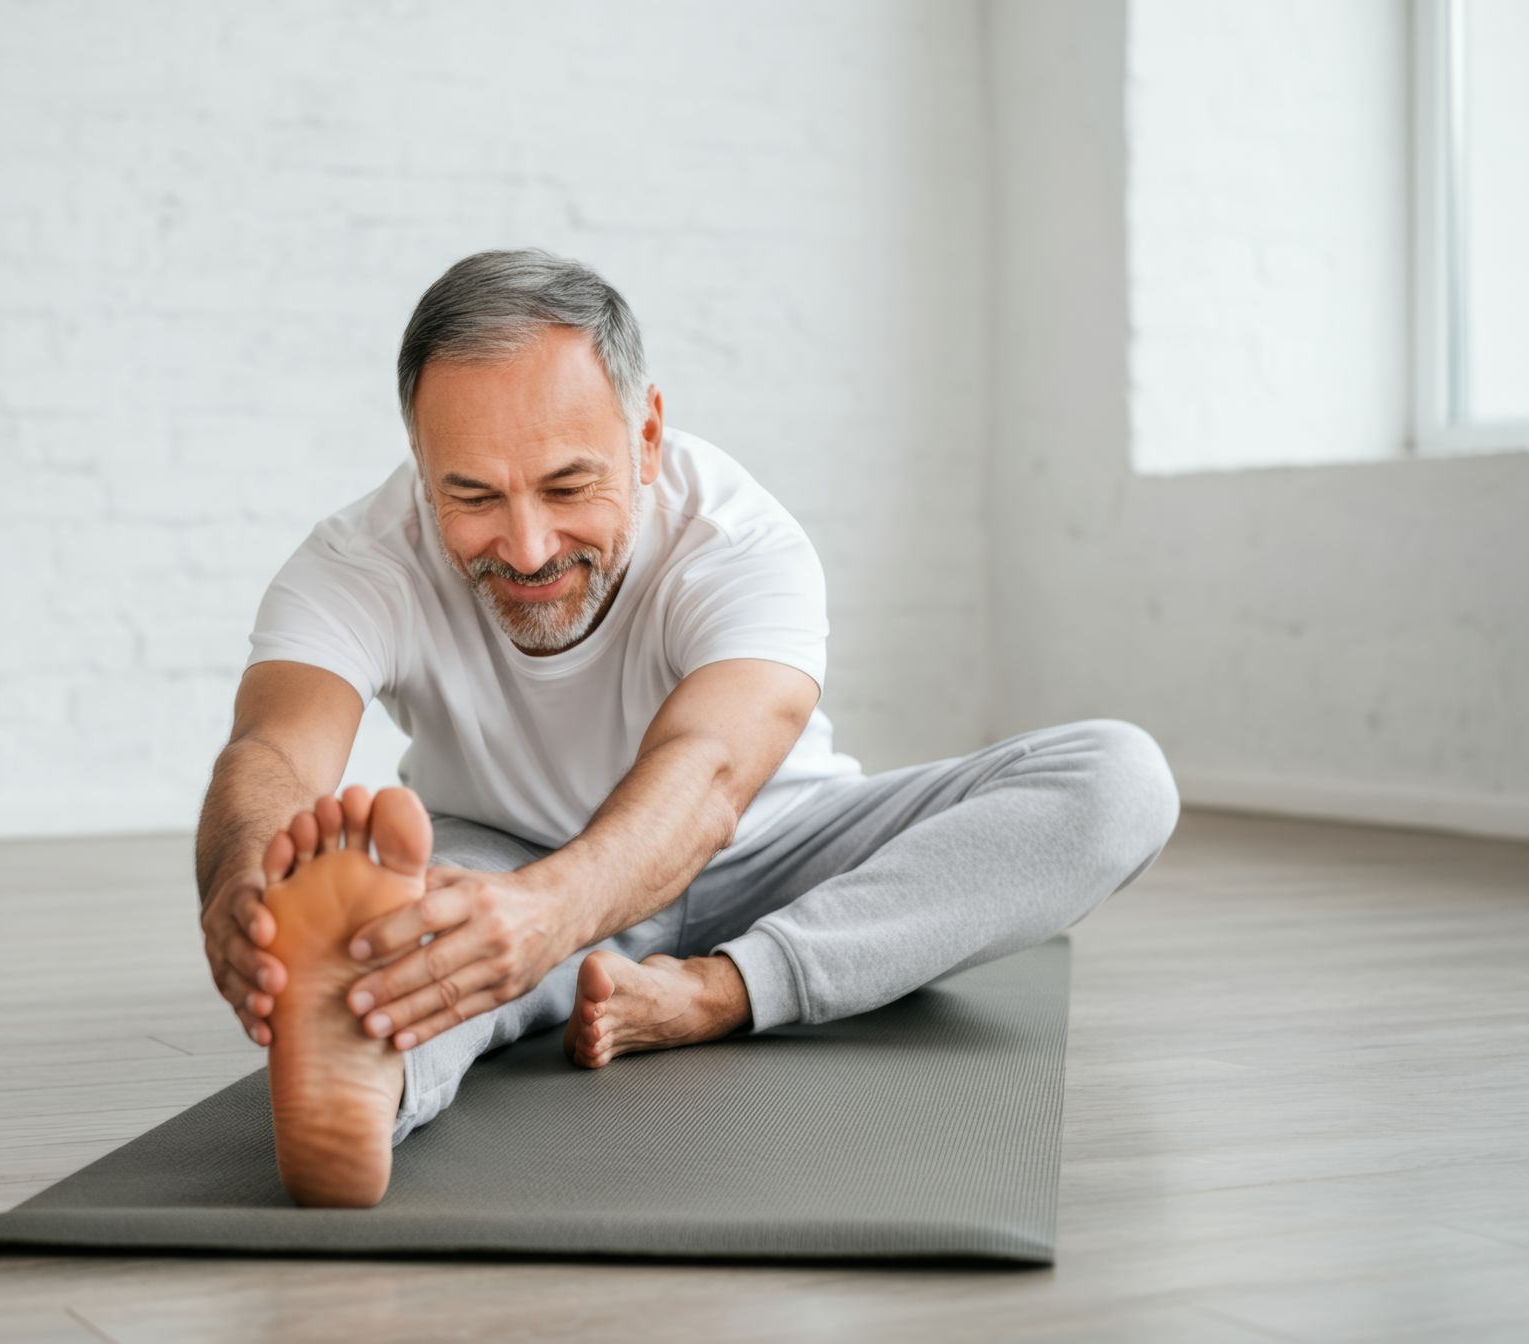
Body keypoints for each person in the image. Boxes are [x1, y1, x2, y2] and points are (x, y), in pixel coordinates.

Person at [195, 247, 1181, 1207]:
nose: (528, 545)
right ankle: (369, 1072)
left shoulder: (741, 540)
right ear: (420, 464)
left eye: (570, 487)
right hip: (502, 861)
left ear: (649, 435)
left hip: (779, 850)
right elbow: (275, 750)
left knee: (1118, 780)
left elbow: (708, 773)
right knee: (406, 941)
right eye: (472, 496)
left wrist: (565, 920)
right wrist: (246, 885)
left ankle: (723, 990)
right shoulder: (360, 556)